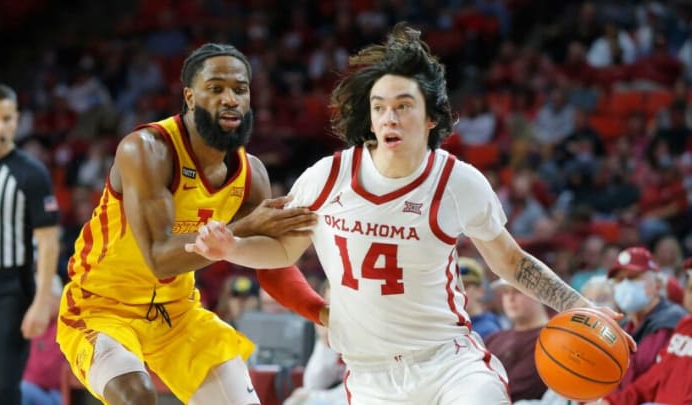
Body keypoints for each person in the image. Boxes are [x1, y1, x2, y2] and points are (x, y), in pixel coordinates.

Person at [186, 23, 635, 404]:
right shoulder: (328, 176)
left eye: (403, 107)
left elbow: (513, 263)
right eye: (380, 108)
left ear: (431, 118)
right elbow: (283, 252)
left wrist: (581, 305)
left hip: (449, 364)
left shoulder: (458, 183)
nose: (389, 119)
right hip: (369, 377)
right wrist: (235, 247)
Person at [56, 42, 326, 405]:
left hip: (176, 313)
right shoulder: (147, 149)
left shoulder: (251, 174)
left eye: (239, 89)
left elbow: (271, 263)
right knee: (137, 398)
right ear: (190, 96)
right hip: (101, 307)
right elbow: (159, 258)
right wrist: (240, 232)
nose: (230, 99)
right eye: (216, 89)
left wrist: (320, 311)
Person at [0, 83, 61, 405]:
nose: (1, 126)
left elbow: (49, 244)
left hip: (9, 290)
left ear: (17, 120)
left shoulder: (31, 174)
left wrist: (40, 303)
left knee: (4, 390)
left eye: (7, 119)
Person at [607, 246, 686, 389]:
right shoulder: (623, 325)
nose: (625, 284)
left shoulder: (672, 321)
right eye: (619, 280)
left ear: (658, 284)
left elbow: (653, 379)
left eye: (633, 277)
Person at [485, 280, 548, 402]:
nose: (510, 298)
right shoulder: (494, 338)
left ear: (541, 295)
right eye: (505, 292)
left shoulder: (549, 341)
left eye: (518, 291)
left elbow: (514, 391)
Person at [21, 275, 66, 405]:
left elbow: (49, 372)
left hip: (55, 394)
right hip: (32, 388)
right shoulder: (33, 325)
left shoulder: (64, 326)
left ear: (58, 299)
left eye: (46, 299)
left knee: (21, 390)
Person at [459, 256, 502, 339]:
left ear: (480, 291)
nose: (457, 292)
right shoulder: (449, 325)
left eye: (464, 286)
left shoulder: (489, 330)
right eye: (453, 287)